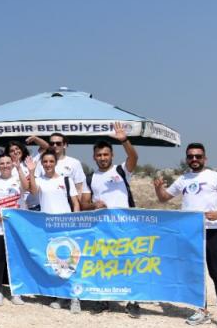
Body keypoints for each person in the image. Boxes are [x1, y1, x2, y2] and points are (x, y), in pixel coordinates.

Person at [154, 143, 217, 328]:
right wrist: (158, 189)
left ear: (205, 159)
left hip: (212, 231)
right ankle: (203, 310)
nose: (194, 159)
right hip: (189, 234)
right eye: (191, 156)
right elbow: (164, 198)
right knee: (195, 274)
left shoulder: (215, 177)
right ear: (186, 159)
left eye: (198, 156)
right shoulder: (183, 179)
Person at [83, 123, 143, 317]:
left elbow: (134, 157)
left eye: (105, 154)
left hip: (125, 226)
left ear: (112, 155)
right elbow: (84, 204)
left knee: (128, 262)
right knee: (103, 262)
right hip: (102, 227)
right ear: (94, 157)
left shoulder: (121, 170)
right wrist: (94, 206)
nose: (102, 158)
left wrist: (124, 140)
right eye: (99, 155)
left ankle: (133, 301)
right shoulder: (90, 177)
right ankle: (103, 300)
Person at [31, 150, 86, 312]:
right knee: (56, 263)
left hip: (67, 227)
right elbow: (33, 191)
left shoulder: (66, 180)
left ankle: (75, 297)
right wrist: (32, 171)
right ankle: (60, 297)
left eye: (51, 161)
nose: (48, 164)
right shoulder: (39, 180)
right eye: (45, 162)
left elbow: (75, 203)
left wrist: (75, 222)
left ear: (55, 163)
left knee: (71, 262)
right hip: (48, 228)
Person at [0, 151, 32, 307]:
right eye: (2, 163)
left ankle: (16, 292)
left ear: (12, 164)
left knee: (16, 258)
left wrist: (19, 168)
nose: (5, 166)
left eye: (8, 163)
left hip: (16, 225)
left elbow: (27, 187)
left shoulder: (18, 179)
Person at [27, 133, 88, 197]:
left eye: (58, 143)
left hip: (67, 204)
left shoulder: (74, 163)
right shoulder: (42, 162)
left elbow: (79, 188)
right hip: (46, 203)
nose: (55, 145)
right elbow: (34, 185)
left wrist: (77, 205)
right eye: (52, 144)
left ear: (65, 145)